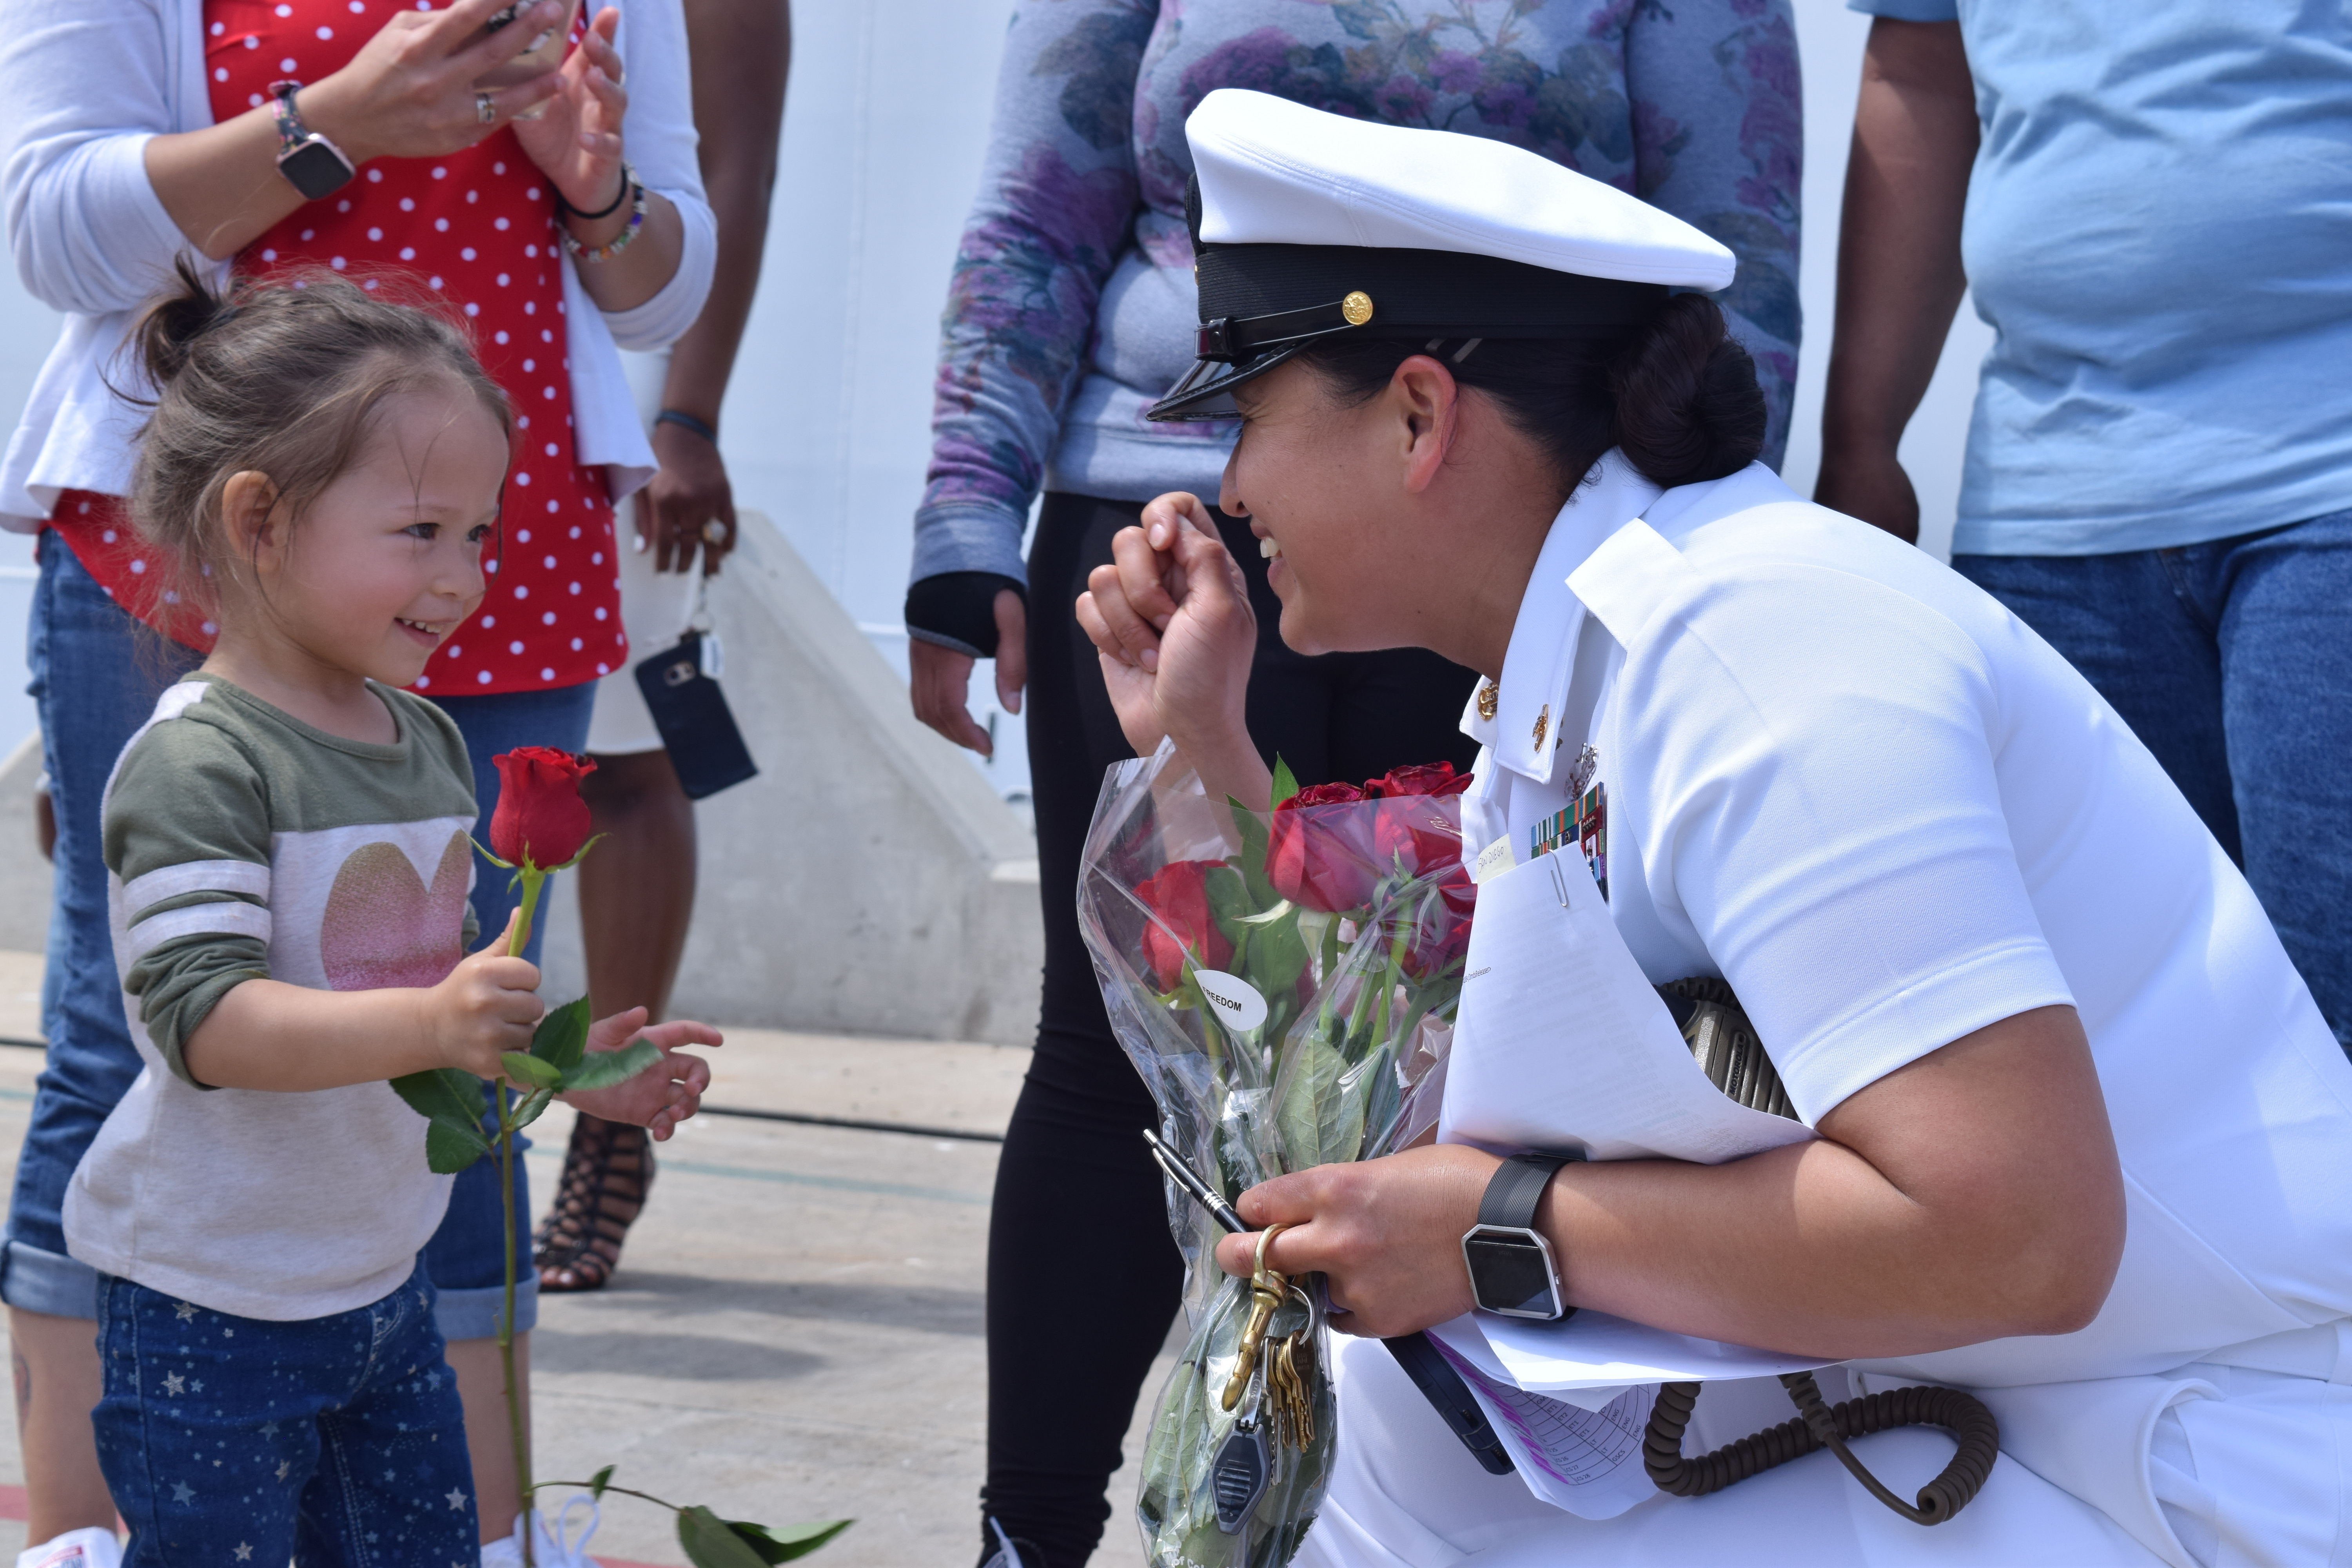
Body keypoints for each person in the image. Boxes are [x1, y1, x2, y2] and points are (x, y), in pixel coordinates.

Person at [1078, 88, 2352, 1565]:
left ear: (1420, 415)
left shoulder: (1758, 649)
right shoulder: (1602, 659)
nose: (1230, 488)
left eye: (1250, 417)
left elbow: (2023, 1236)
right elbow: (1368, 1097)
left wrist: (1503, 1233)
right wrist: (1198, 747)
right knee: (1373, 1448)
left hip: (2164, 1463)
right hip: (1976, 1413)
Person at [903, 5, 1802, 1561]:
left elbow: (1737, 257)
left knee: (1469, 1058)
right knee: (1131, 1035)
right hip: (1154, 494)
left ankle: (1388, 1519)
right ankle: (1038, 1533)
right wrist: (967, 510)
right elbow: (1034, 209)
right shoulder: (1223, 472)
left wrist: (1674, 572)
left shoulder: (1792, 665)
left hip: (1506, 518)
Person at [0, 0, 713, 1558]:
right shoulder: (212, 720)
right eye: (433, 537)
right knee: (110, 1041)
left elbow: (668, 283)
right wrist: (339, 118)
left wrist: (595, 192)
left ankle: (466, 1517)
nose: (450, 566)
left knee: (451, 1017)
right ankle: (79, 1530)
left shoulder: (461, 572)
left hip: (501, 574)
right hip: (183, 541)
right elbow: (56, 226)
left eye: (473, 531)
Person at [1813, 8, 2352, 1052]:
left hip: (2328, 468)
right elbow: (1920, 74)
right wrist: (1861, 442)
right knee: (2107, 1035)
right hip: (2049, 506)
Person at [536, 0, 791, 1296]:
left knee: (627, 760)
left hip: (620, 376)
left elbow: (735, 167)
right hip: (433, 362)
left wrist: (689, 410)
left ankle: (606, 1120)